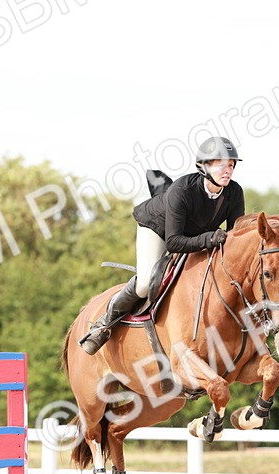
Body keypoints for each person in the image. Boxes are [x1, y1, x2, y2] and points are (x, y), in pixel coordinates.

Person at [79, 136, 246, 354]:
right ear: (205, 166)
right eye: (222, 165)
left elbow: (234, 236)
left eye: (231, 165)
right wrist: (208, 239)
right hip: (158, 228)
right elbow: (174, 242)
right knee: (146, 283)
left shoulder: (235, 192)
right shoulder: (183, 190)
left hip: (196, 233)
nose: (228, 170)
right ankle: (104, 324)